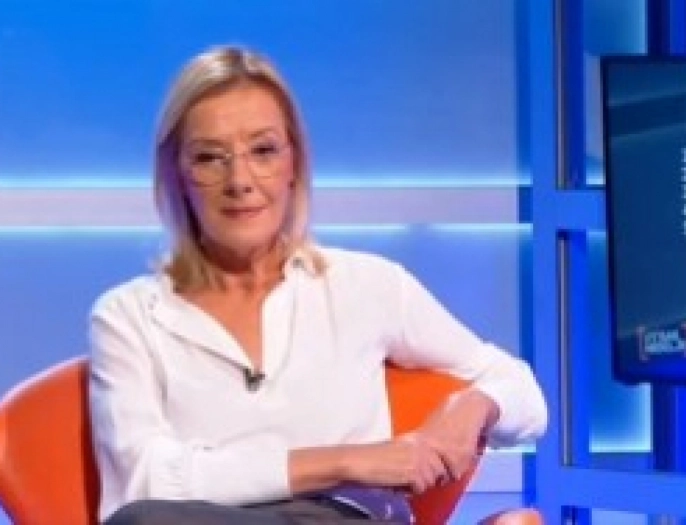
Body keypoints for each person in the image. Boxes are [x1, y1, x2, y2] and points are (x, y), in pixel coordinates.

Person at [87, 45, 547, 525]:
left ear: (294, 164)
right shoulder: (128, 316)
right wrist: (346, 462)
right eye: (209, 158)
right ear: (176, 175)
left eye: (263, 151)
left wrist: (473, 406)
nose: (239, 180)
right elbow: (142, 482)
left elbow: (523, 392)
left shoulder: (366, 285)